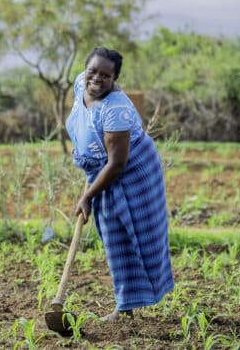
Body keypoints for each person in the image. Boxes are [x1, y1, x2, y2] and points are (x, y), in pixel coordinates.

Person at [66, 46, 174, 321]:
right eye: (93, 71)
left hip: (133, 171)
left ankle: (126, 305)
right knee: (114, 235)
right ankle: (125, 304)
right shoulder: (81, 84)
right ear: (85, 69)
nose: (97, 79)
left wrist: (88, 195)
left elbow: (116, 164)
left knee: (132, 233)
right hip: (103, 168)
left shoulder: (116, 109)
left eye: (106, 75)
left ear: (114, 79)